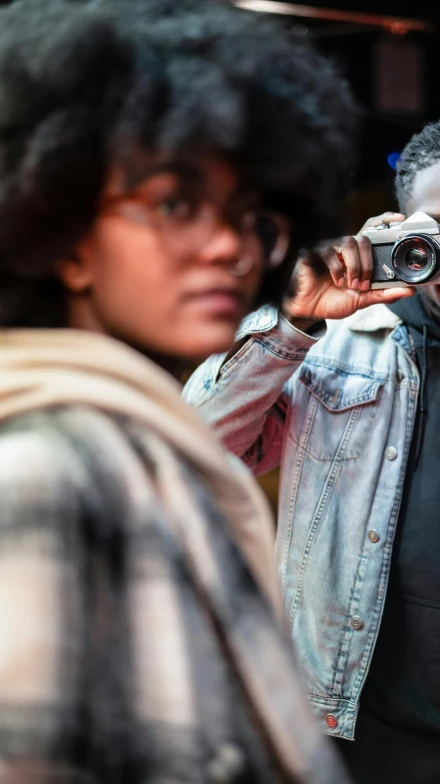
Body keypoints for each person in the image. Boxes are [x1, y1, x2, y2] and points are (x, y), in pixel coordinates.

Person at [0, 0, 358, 780]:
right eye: (175, 204)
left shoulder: (135, 438)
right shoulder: (43, 470)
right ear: (62, 235)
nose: (229, 245)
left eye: (248, 213)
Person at [184, 113, 440, 783]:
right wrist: (294, 316)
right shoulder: (336, 340)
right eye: (436, 229)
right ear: (398, 230)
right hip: (349, 718)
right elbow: (194, 446)